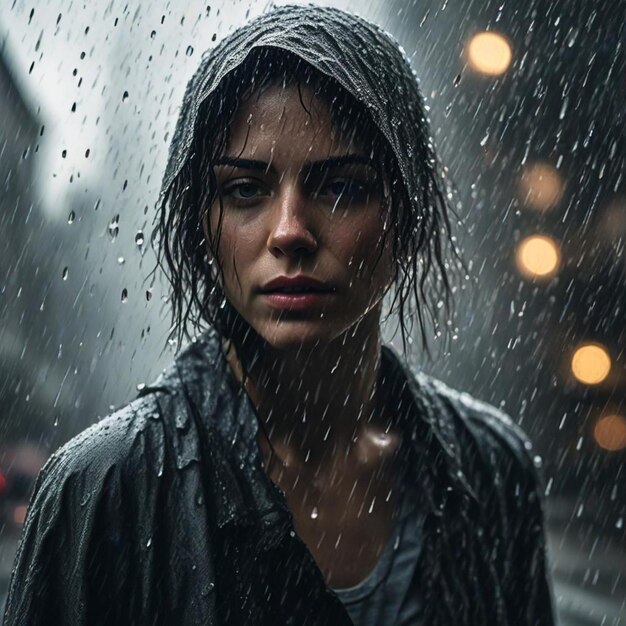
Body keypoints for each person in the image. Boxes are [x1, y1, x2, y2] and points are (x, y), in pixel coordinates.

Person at [3, 5, 556, 625]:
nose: (290, 232)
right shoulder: (100, 491)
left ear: (405, 215)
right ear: (202, 227)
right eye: (246, 191)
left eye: (341, 187)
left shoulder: (492, 472)